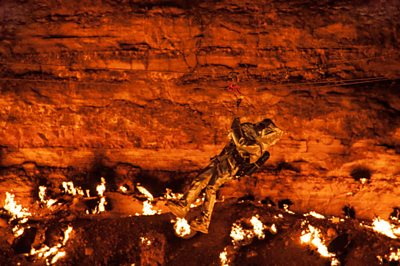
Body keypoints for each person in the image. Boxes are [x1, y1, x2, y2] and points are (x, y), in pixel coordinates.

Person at [167, 117, 284, 234]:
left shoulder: (257, 147)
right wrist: (235, 129)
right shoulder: (249, 136)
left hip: (230, 165)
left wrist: (235, 127)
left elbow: (241, 142)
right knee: (199, 180)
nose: (259, 126)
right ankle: (183, 205)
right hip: (221, 160)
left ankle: (204, 220)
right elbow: (233, 139)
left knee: (211, 188)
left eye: (262, 126)